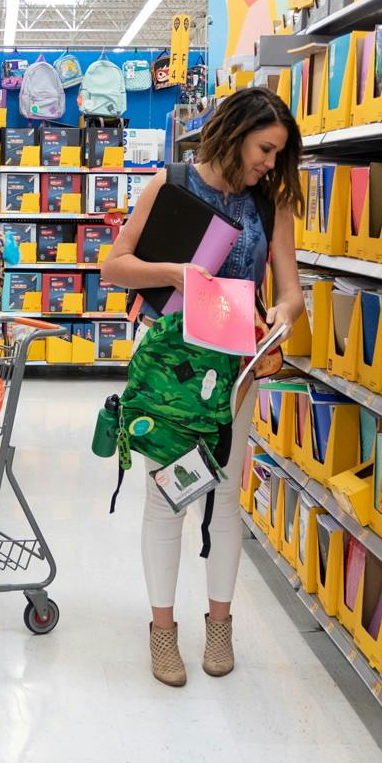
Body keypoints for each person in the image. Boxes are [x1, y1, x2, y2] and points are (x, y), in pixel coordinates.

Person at [101, 87, 306, 687]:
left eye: (277, 154)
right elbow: (114, 266)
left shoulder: (270, 205)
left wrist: (283, 320)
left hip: (237, 368)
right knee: (168, 495)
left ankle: (220, 624)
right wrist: (174, 273)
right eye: (265, 148)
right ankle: (163, 631)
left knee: (225, 496)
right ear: (237, 131)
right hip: (172, 371)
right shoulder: (171, 185)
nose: (270, 162)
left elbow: (290, 289)